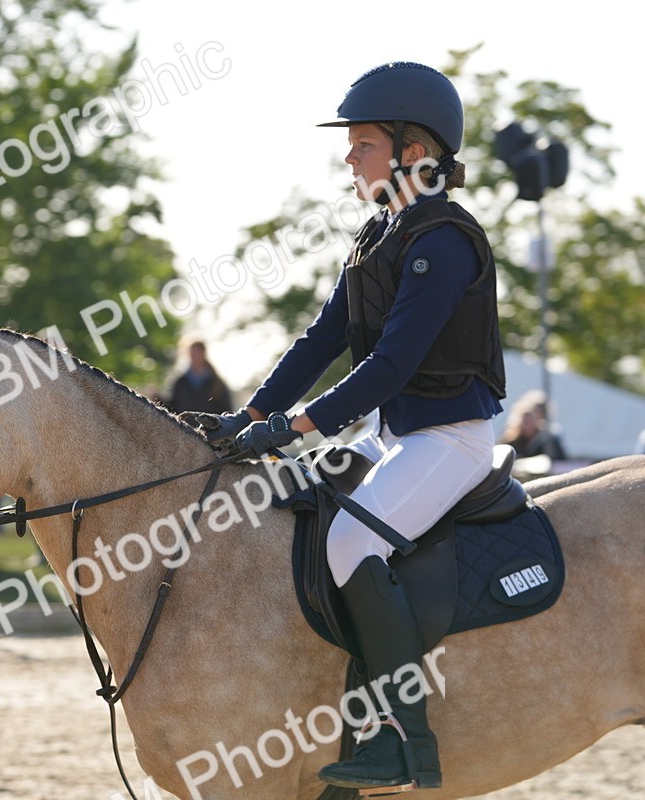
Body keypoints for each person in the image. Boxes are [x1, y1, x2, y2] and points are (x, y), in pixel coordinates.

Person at [189, 63, 505, 793]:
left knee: (352, 537)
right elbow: (321, 339)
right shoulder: (379, 233)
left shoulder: (446, 240)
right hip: (394, 437)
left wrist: (297, 425)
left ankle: (405, 740)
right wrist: (255, 415)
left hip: (449, 437)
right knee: (292, 510)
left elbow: (391, 365)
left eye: (362, 144)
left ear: (412, 150)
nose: (348, 158)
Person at [165, 339, 233, 414]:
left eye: (197, 352)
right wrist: (157, 399)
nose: (194, 356)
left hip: (209, 425)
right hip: (182, 425)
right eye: (192, 353)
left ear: (203, 353)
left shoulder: (217, 384)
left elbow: (226, 412)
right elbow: (171, 408)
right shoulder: (180, 382)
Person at [500, 390, 567, 460]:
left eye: (531, 417)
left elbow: (559, 462)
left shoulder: (548, 440)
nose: (527, 422)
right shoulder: (510, 439)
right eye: (525, 417)